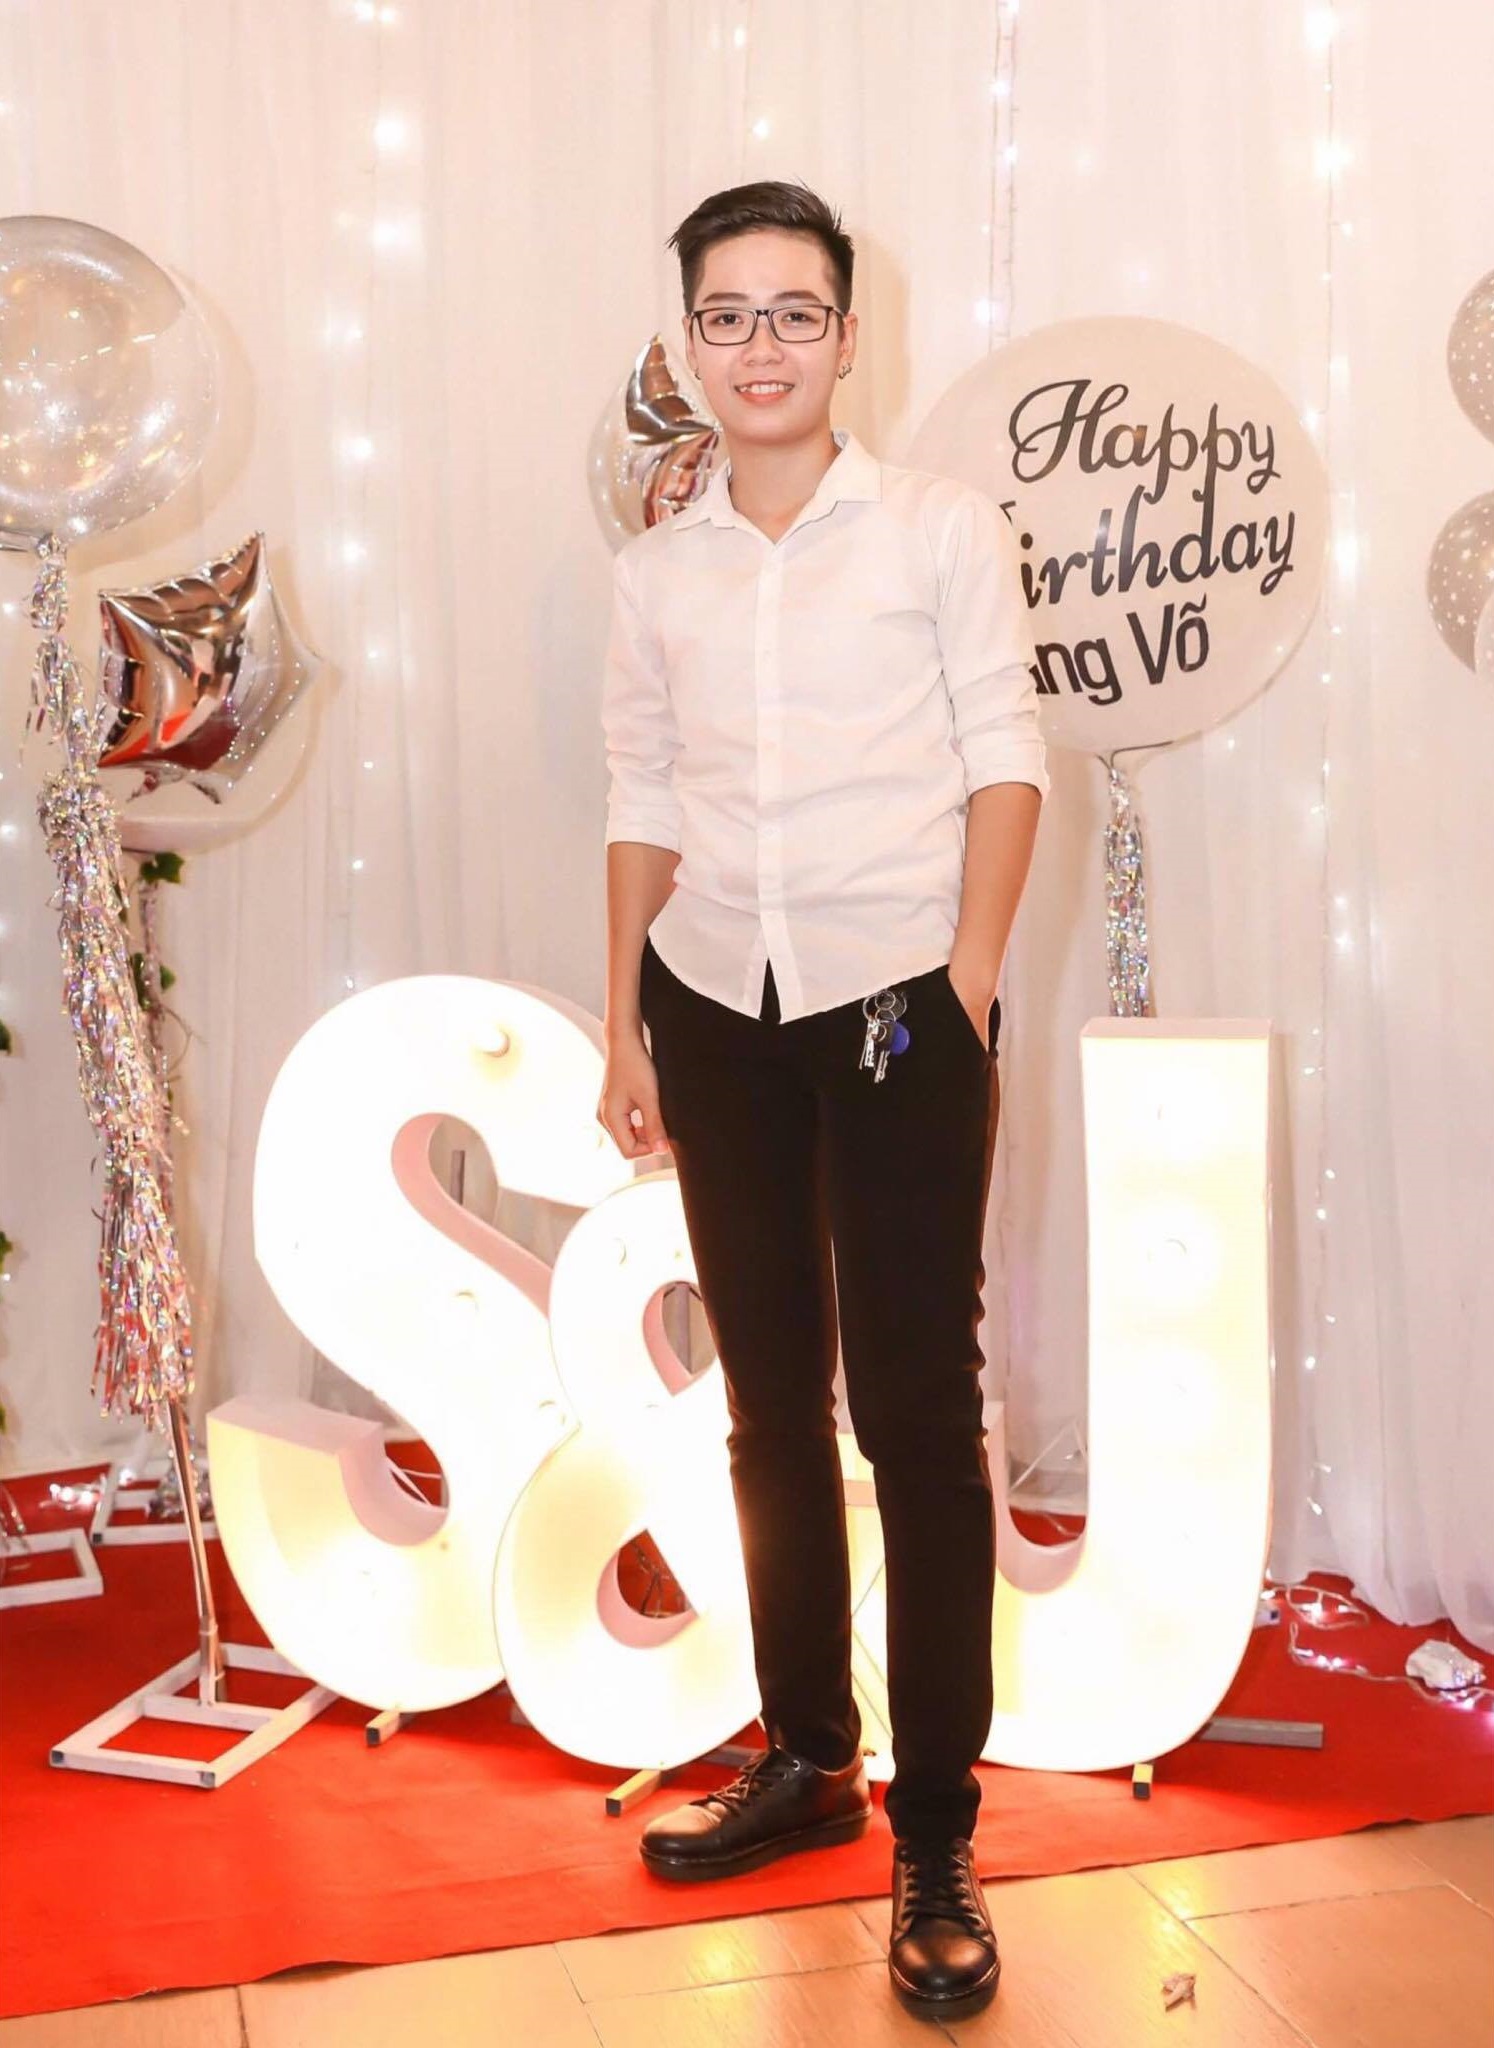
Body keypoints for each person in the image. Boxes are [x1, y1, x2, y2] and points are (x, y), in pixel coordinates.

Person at [596, 178, 1048, 2023]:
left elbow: (1005, 757)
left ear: (848, 337)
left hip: (896, 1009)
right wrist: (621, 1021)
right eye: (727, 315)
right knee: (768, 1405)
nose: (759, 346)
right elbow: (641, 791)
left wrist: (965, 985)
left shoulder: (937, 528)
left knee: (918, 1421)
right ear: (687, 342)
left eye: (794, 313)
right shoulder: (657, 570)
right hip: (713, 1004)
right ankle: (806, 1756)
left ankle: (934, 1832)